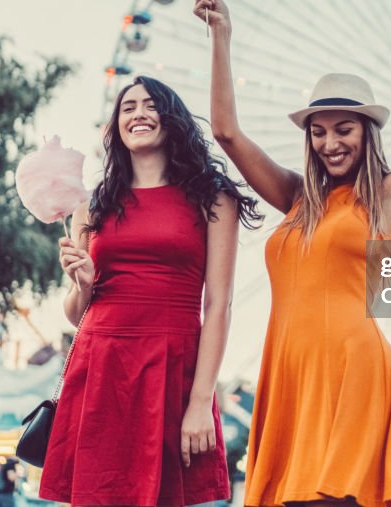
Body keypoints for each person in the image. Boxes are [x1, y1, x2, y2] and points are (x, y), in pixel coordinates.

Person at [196, 0, 391, 507]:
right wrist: (221, 33)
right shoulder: (295, 199)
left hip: (355, 369)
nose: (330, 143)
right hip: (290, 372)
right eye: (319, 131)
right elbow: (226, 132)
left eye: (344, 129)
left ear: (367, 132)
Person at [38, 75, 263, 506]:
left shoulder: (213, 199)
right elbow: (75, 313)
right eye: (127, 107)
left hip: (171, 366)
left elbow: (218, 305)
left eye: (149, 105)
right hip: (101, 364)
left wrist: (201, 402)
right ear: (116, 126)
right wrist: (82, 285)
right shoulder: (92, 205)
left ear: (171, 117)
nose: (138, 114)